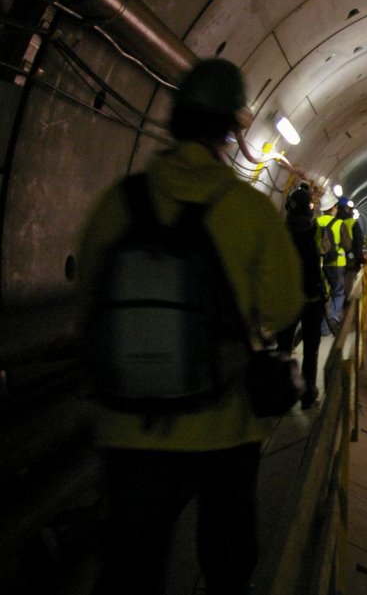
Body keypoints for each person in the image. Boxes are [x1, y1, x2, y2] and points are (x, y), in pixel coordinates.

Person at [77, 58, 303, 595]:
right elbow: (285, 303)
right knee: (225, 555)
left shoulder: (117, 204)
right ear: (232, 128)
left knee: (133, 560)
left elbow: (89, 296)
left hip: (129, 420)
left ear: (175, 118)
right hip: (223, 422)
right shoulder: (247, 209)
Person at [276, 184, 326, 409]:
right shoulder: (316, 229)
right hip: (312, 298)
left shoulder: (279, 231)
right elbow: (323, 252)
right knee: (311, 349)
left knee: (283, 348)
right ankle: (307, 396)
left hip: (286, 298)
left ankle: (282, 394)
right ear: (311, 209)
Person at [316, 193, 350, 335]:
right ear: (333, 208)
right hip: (337, 264)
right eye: (336, 206)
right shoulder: (339, 224)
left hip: (319, 264)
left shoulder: (315, 222)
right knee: (338, 293)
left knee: (322, 295)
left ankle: (321, 327)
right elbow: (347, 244)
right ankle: (332, 321)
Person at [339, 196, 365, 305]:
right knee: (349, 283)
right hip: (350, 259)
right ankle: (347, 307)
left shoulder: (334, 221)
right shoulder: (352, 223)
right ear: (347, 209)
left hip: (333, 260)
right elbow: (358, 242)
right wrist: (359, 259)